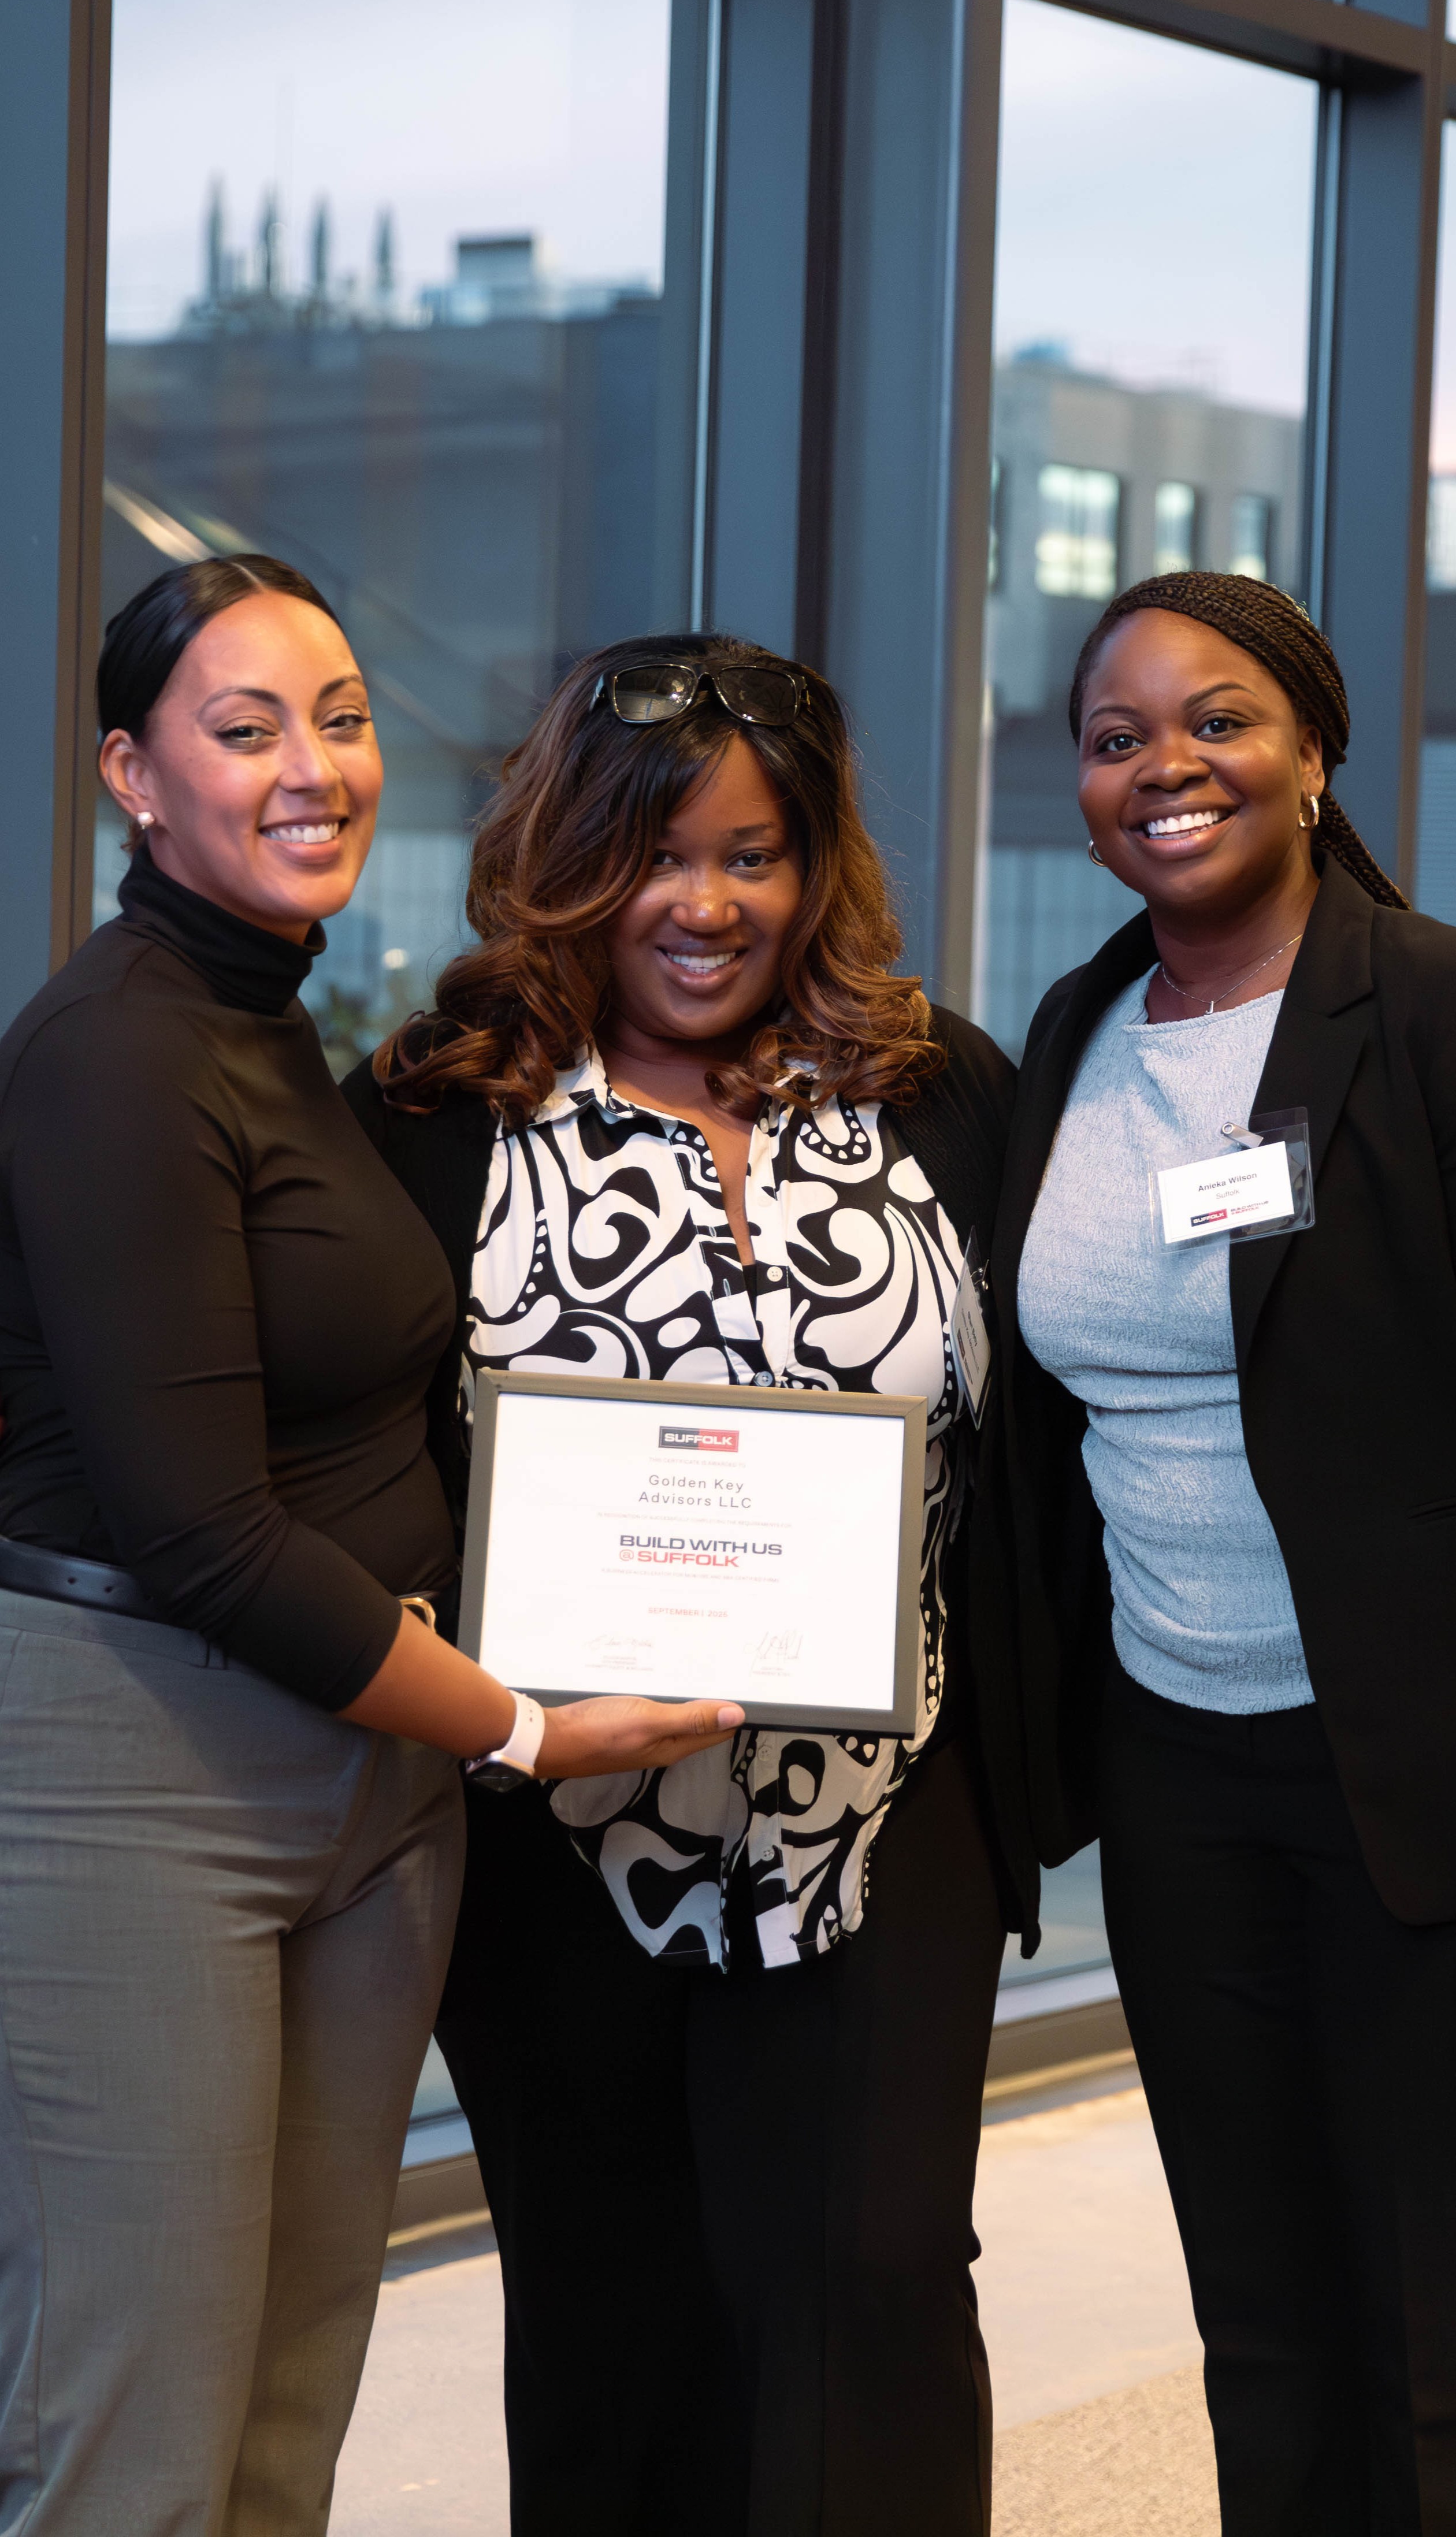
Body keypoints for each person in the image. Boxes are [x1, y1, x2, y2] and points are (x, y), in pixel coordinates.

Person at [0, 557, 738, 2537]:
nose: (314, 765)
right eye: (244, 730)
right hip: (142, 1785)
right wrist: (513, 1727)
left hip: (364, 1781)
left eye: (338, 714)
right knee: (133, 2431)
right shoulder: (111, 1054)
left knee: (285, 2408)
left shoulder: (286, 1027)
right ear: (128, 779)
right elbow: (200, 1526)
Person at [343, 632, 1027, 2537]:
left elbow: (1029, 1443)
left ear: (819, 868)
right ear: (570, 855)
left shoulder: (935, 1092)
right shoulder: (441, 1116)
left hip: (884, 1822)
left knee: (876, 2291)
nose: (707, 905)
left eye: (756, 854)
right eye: (659, 855)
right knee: (608, 2313)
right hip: (553, 1836)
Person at [992, 567, 1456, 2532]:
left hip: (1412, 1768)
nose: (1165, 767)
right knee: (1258, 2309)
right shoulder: (1077, 1025)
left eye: (1217, 721)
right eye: (1116, 739)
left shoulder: (1426, 1004)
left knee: (1429, 2312)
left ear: (1314, 751)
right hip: (1179, 1761)